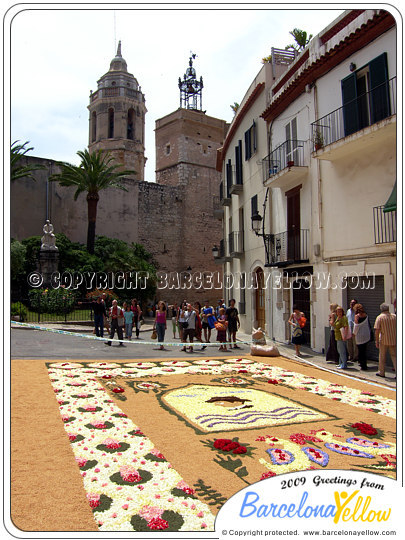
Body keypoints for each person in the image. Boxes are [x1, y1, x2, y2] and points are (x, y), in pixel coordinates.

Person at [374, 303, 397, 378]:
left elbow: (377, 330)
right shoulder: (394, 316)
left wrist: (376, 341)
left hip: (383, 339)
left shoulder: (380, 317)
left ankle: (381, 372)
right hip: (393, 339)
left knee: (382, 356)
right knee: (394, 356)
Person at [352, 303, 371, 371]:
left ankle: (363, 365)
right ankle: (364, 363)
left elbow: (356, 326)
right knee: (364, 350)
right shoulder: (365, 315)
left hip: (360, 335)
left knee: (360, 351)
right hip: (366, 334)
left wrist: (353, 334)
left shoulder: (357, 316)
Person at [346, 299, 359, 363]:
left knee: (355, 344)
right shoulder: (348, 311)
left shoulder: (357, 312)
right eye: (351, 303)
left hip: (355, 329)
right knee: (349, 344)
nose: (351, 304)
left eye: (353, 303)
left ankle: (355, 357)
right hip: (349, 329)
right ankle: (350, 356)